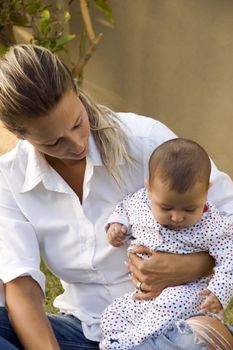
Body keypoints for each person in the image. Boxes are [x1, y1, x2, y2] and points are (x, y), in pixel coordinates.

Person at [0, 44, 232, 350]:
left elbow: (228, 219)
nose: (76, 144)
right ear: (22, 136)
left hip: (168, 324)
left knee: (195, 339)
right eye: (54, 142)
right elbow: (21, 286)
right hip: (84, 329)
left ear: (76, 89)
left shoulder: (145, 140)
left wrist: (192, 266)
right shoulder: (9, 177)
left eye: (77, 122)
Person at [100, 138, 233, 349]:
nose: (177, 217)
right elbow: (124, 208)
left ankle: (134, 342)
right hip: (144, 297)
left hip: (187, 294)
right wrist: (117, 225)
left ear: (207, 192)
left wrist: (218, 292)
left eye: (190, 209)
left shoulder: (213, 224)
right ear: (150, 189)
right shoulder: (140, 203)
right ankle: (123, 339)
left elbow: (230, 259)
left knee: (171, 300)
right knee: (114, 314)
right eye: (166, 208)